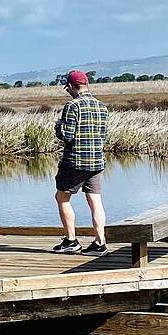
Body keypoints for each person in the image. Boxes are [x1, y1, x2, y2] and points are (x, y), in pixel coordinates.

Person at [52, 68, 108, 254]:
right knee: (95, 201)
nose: (67, 90)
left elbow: (67, 135)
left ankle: (71, 241)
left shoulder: (72, 106)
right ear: (86, 84)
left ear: (71, 86)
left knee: (62, 197)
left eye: (67, 87)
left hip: (75, 161)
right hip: (97, 161)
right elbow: (103, 135)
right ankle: (100, 243)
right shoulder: (102, 106)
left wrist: (58, 127)